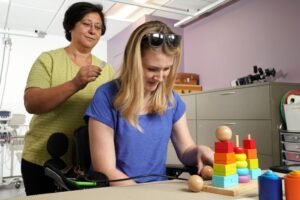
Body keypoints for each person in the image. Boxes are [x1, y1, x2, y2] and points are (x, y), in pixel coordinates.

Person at [85, 20, 214, 187]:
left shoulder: (172, 100)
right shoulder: (105, 96)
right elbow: (106, 170)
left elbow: (186, 150)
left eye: (166, 69)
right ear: (134, 63)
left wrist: (198, 151)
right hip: (118, 193)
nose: (160, 78)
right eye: (152, 69)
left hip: (156, 191)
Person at [21, 2, 115, 195]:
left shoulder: (107, 71)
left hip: (87, 164)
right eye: (86, 24)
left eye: (98, 27)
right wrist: (75, 84)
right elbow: (32, 103)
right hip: (41, 160)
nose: (93, 31)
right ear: (71, 25)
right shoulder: (48, 59)